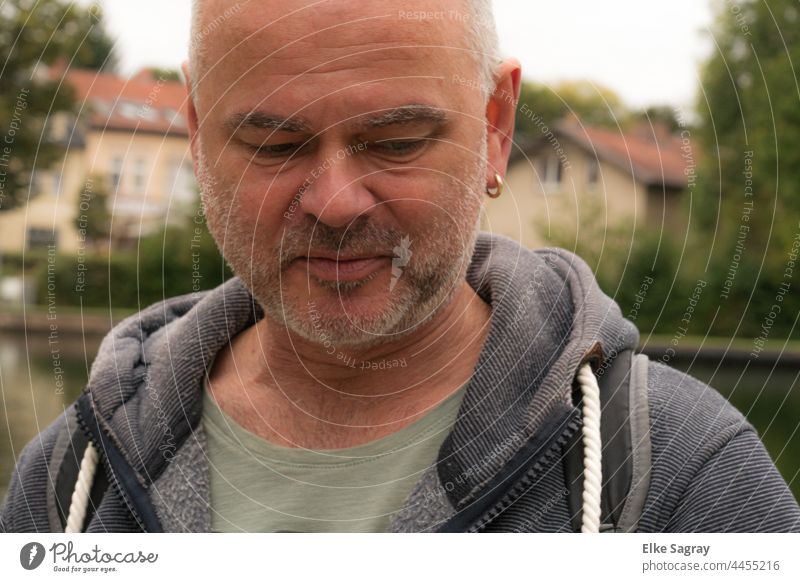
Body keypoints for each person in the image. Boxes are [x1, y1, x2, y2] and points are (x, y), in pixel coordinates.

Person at [2, 0, 798, 534]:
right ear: (199, 135)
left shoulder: (683, 481)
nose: (336, 201)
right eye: (274, 145)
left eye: (397, 142)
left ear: (496, 126)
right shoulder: (72, 482)